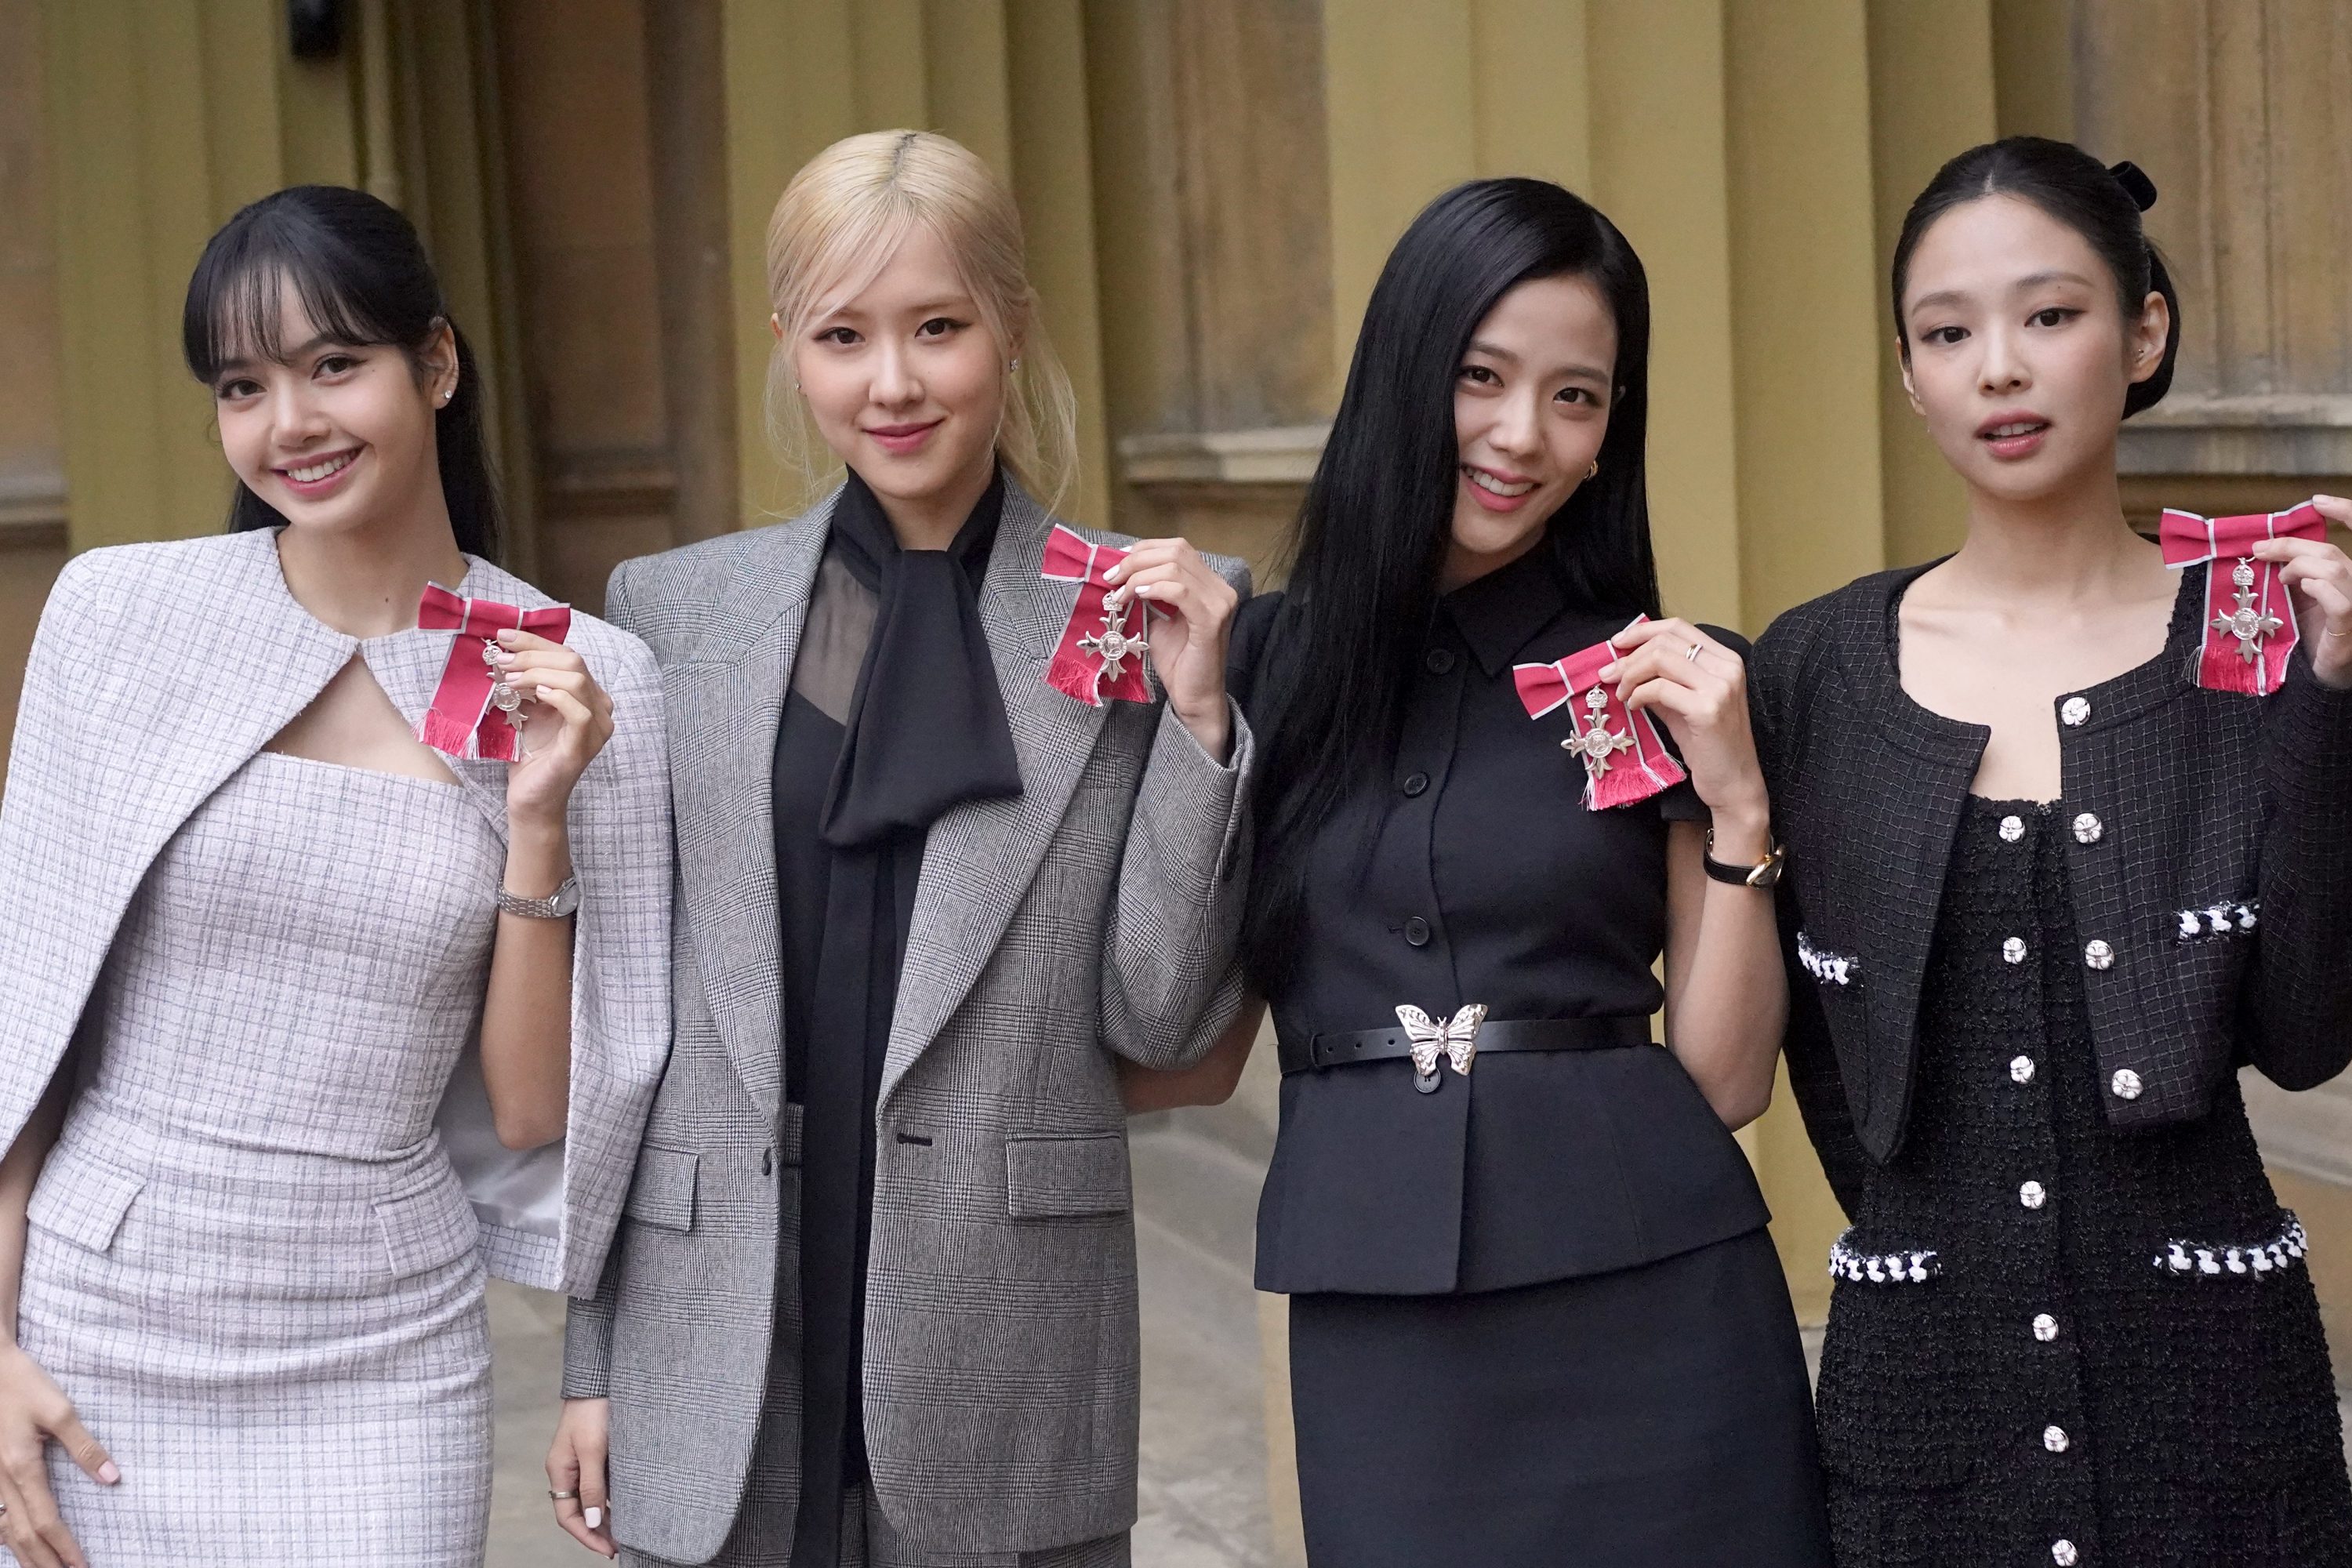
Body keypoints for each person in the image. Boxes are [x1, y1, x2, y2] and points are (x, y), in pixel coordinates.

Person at [546, 129, 1251, 1568]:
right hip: (719, 1318)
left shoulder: (1148, 618)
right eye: (842, 336)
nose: (892, 383)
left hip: (1008, 1335)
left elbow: (1163, 1019)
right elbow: (630, 1031)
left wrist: (1199, 725)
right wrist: (591, 1356)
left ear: (1013, 325)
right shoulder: (676, 615)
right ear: (787, 347)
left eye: (938, 327)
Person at [1151, 176, 1829, 1566]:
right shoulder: (1260, 665)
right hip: (1380, 1310)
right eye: (1482, 377)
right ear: (1407, 372)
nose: (1522, 435)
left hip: (1661, 1302)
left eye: (1575, 398)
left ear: (1610, 432)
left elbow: (1725, 1081)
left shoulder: (1661, 680)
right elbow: (1186, 1033)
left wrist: (1740, 803)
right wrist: (1200, 734)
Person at [0, 185, 670, 1567]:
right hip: (98, 1325)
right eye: (242, 386)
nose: (290, 423)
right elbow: (26, 1012)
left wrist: (538, 821)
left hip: (385, 1351)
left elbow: (535, 1110)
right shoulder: (118, 616)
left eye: (334, 364)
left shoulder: (585, 679)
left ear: (437, 364)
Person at [1751, 136, 2352, 1565]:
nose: (2000, 369)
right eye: (1948, 333)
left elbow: (2309, 1035)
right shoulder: (1816, 671)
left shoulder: (2260, 645)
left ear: (2144, 334)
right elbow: (1824, 1064)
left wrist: (2333, 706)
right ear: (1910, 375)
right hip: (1921, 1396)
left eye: (2052, 314)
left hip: (2215, 1397)